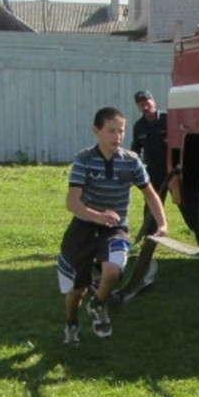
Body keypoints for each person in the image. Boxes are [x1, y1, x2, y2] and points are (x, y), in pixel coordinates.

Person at [57, 106, 167, 344]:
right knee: (76, 290)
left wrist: (162, 224)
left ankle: (97, 305)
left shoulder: (131, 161)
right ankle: (72, 322)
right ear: (96, 131)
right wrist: (97, 216)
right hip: (83, 228)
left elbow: (150, 195)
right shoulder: (84, 160)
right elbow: (72, 203)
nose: (117, 137)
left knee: (113, 270)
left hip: (116, 228)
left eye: (121, 131)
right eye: (111, 131)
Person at [127, 89, 171, 288]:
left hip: (174, 170)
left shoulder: (167, 120)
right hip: (154, 172)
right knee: (151, 208)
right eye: (141, 103)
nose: (145, 105)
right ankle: (149, 242)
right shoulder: (139, 126)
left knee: (186, 203)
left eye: (147, 101)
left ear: (154, 101)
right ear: (138, 106)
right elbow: (136, 149)